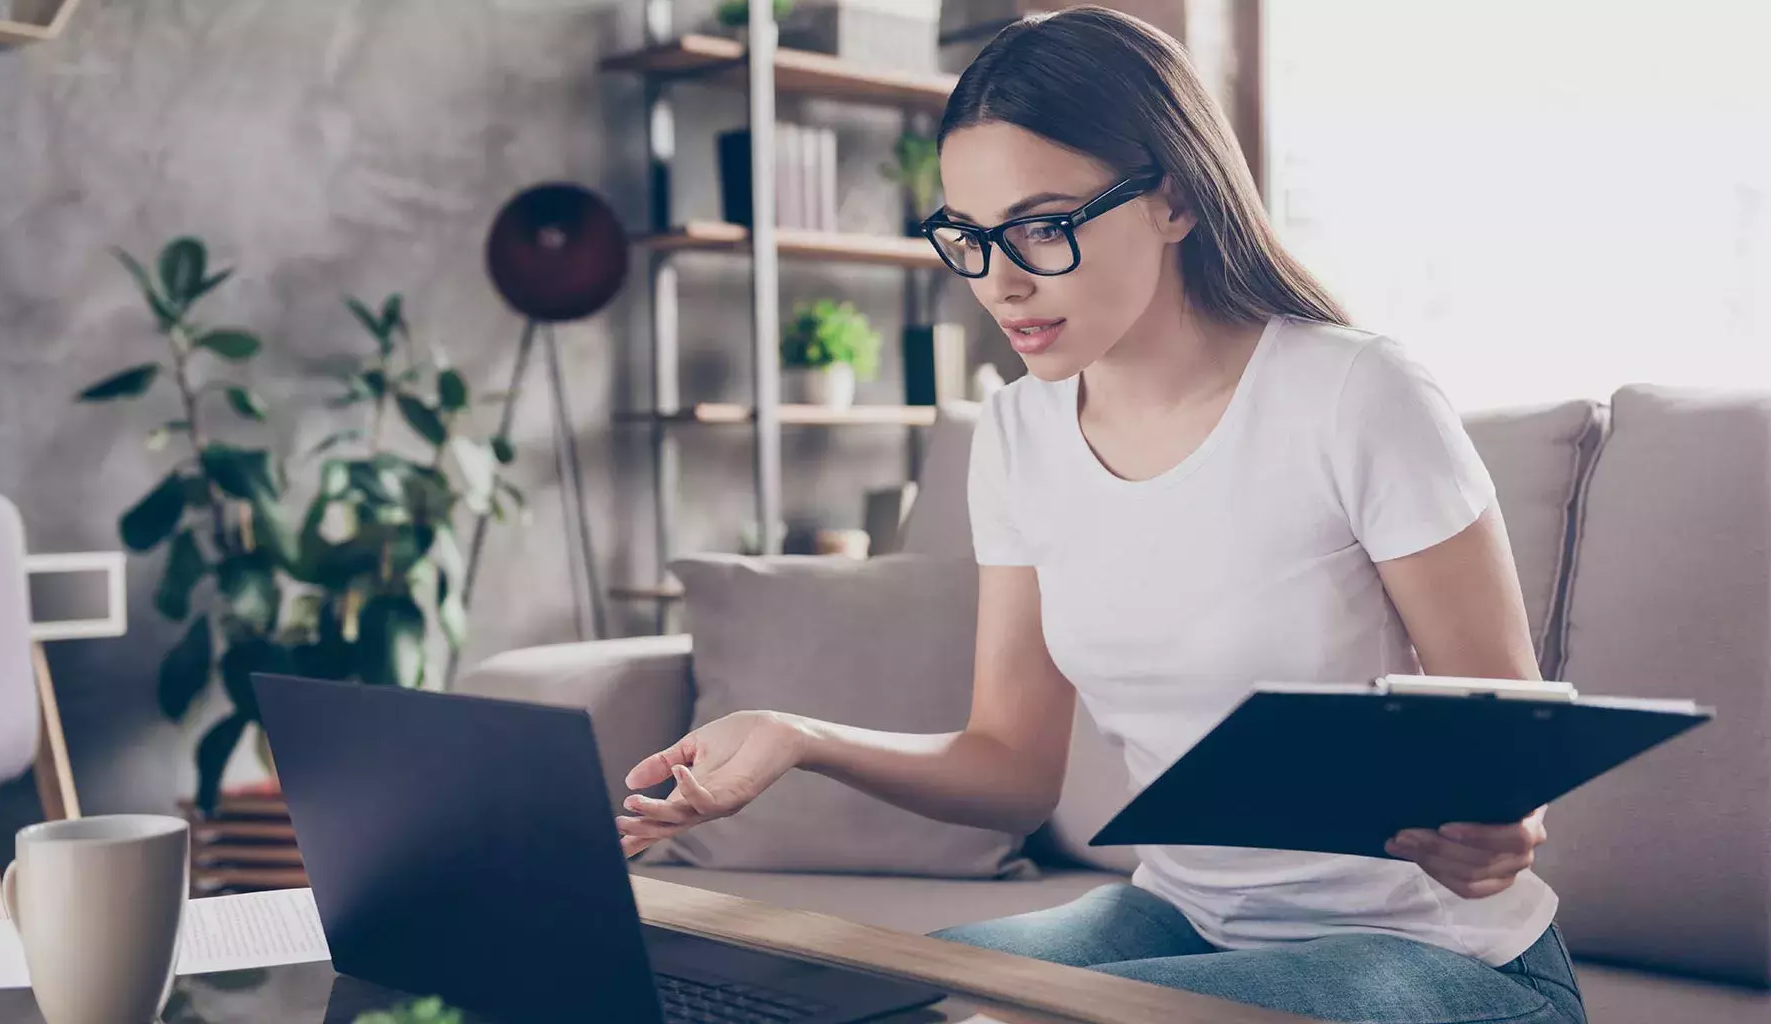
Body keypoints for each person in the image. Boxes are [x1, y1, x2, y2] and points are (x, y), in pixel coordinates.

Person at [615, 7, 1586, 1023]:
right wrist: (798, 734)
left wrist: (1500, 823)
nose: (1000, 280)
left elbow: (1505, 747)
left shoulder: (1355, 393)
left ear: (1172, 197)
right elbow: (1011, 766)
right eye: (971, 236)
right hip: (1185, 919)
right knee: (869, 999)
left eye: (1043, 226)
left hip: (1448, 961)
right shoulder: (1017, 434)